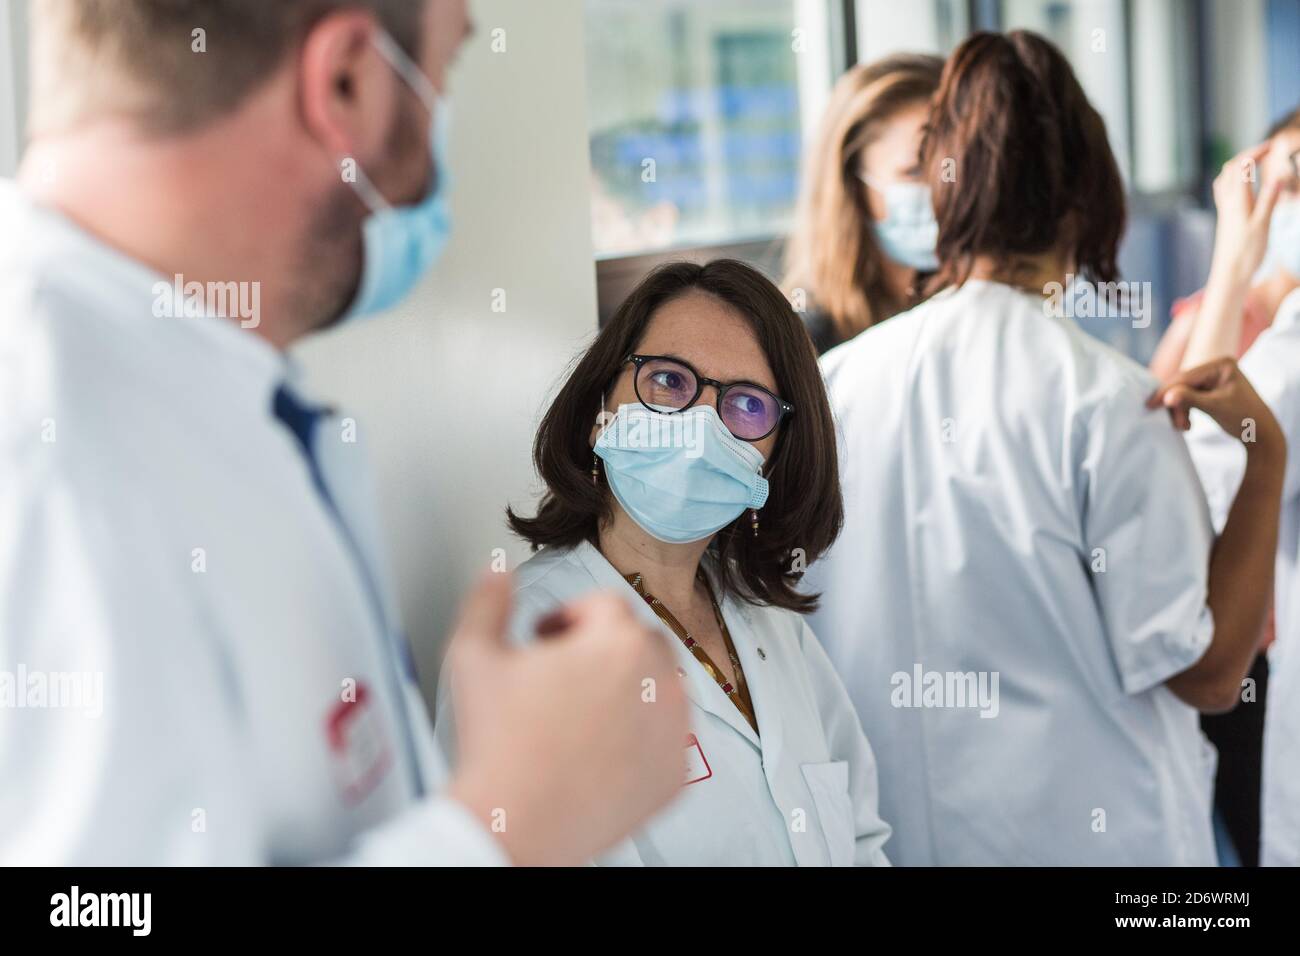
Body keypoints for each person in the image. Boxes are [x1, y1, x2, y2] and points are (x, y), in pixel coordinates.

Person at [0, 0, 689, 865]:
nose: (444, 126)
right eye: (446, 70)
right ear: (347, 80)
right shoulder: (40, 453)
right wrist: (509, 822)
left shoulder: (215, 392)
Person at [803, 31, 1284, 865]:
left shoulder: (829, 390)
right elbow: (1205, 675)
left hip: (895, 841)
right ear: (1089, 199)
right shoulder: (1104, 400)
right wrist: (1264, 461)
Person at [436, 259, 892, 865]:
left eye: (746, 406)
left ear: (778, 455)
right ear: (602, 401)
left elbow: (861, 838)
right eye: (670, 382)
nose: (700, 426)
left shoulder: (771, 626)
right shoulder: (534, 633)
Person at [1148, 111, 1300, 867]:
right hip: (1229, 635)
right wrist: (1236, 250)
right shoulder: (1218, 319)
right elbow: (1186, 455)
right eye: (1293, 170)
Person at [783, 54, 943, 355]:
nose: (948, 191)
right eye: (915, 170)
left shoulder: (973, 312)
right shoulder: (801, 340)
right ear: (852, 185)